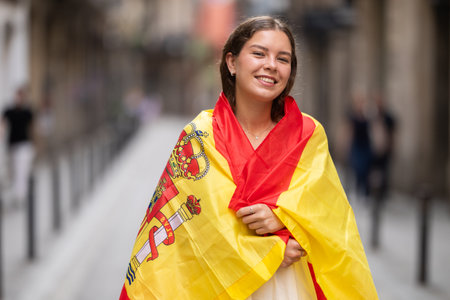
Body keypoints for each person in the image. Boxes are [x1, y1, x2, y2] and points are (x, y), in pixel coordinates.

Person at [120, 16, 378, 300]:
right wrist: (273, 249)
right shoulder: (200, 135)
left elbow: (330, 217)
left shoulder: (307, 134)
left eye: (283, 59)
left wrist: (282, 218)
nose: (271, 65)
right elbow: (194, 227)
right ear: (232, 62)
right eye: (259, 53)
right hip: (217, 285)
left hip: (287, 285)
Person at [1, 87, 35, 208]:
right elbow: (3, 124)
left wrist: (34, 145)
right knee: (13, 172)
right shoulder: (9, 111)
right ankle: (17, 194)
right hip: (12, 146)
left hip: (24, 146)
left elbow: (32, 128)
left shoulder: (27, 111)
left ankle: (20, 197)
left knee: (21, 171)